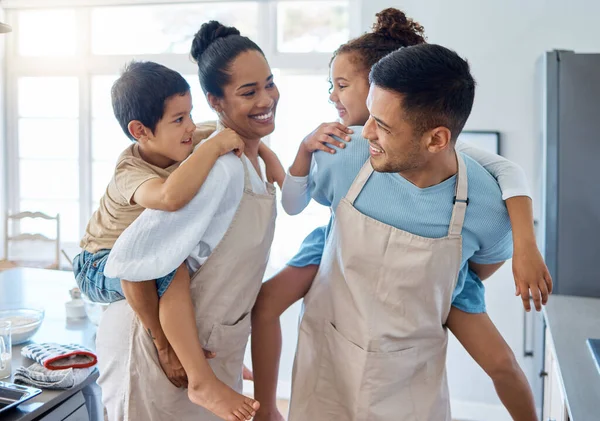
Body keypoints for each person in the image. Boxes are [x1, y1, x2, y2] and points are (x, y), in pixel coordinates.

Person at [251, 14, 545, 421]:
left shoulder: (489, 210)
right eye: (368, 114)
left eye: (382, 125)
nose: (364, 131)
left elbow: (475, 273)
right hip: (328, 360)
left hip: (409, 387)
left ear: (436, 139)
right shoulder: (343, 154)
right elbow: (298, 200)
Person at [95, 21, 282, 421]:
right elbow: (132, 258)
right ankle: (198, 376)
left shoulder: (207, 145)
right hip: (107, 271)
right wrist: (163, 343)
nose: (266, 98)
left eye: (269, 83)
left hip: (208, 346)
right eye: (248, 91)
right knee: (172, 271)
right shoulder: (204, 164)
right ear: (218, 100)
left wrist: (274, 160)